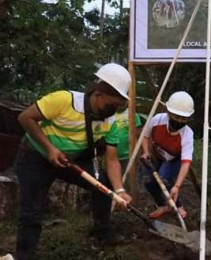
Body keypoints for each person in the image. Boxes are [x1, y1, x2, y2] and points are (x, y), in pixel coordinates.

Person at [13, 63, 133, 260]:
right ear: (98, 94)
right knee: (32, 211)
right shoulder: (64, 100)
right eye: (111, 104)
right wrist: (50, 149)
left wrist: (119, 191)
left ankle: (102, 232)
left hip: (67, 160)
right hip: (35, 156)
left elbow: (112, 160)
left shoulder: (110, 121)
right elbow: (25, 118)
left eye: (118, 105)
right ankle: (24, 256)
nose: (113, 109)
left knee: (104, 186)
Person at [140, 91, 194, 219]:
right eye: (177, 117)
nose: (180, 121)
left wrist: (177, 185)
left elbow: (186, 163)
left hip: (174, 159)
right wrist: (146, 152)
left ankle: (178, 205)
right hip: (156, 155)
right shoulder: (157, 120)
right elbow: (145, 136)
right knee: (148, 182)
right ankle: (162, 205)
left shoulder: (187, 134)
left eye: (184, 118)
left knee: (164, 180)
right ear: (169, 113)